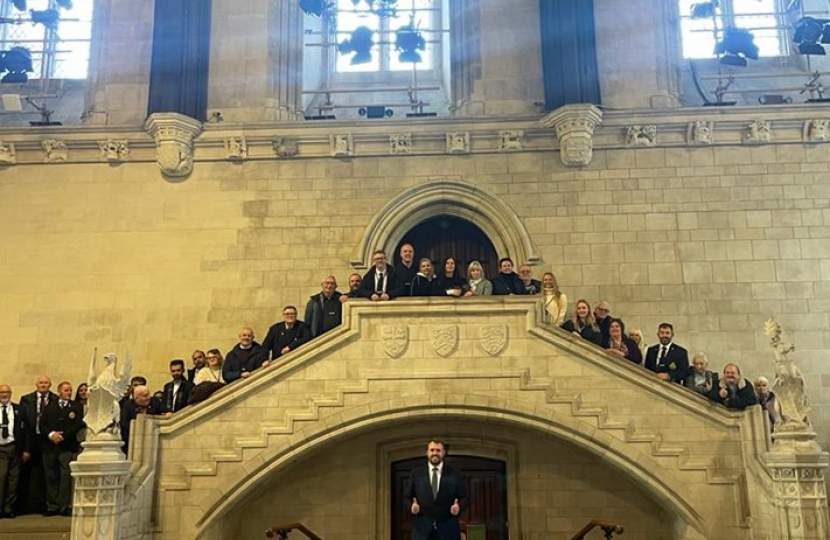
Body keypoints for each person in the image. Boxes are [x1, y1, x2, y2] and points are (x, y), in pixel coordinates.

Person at [404, 440, 468, 540]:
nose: (434, 453)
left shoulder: (455, 473)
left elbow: (464, 498)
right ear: (427, 452)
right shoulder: (416, 473)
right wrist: (411, 507)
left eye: (438, 450)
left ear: (444, 453)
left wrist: (459, 507)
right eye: (432, 450)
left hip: (448, 531)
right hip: (422, 532)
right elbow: (406, 498)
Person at [41, 381, 84, 516]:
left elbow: (78, 424)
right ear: (59, 391)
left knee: (66, 476)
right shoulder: (49, 406)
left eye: (70, 390)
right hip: (50, 446)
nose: (69, 392)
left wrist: (63, 436)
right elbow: (42, 424)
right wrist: (51, 434)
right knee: (51, 475)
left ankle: (64, 506)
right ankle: (52, 505)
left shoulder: (76, 407)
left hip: (66, 446)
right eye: (66, 390)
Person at [18, 375, 56, 515]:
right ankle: (26, 505)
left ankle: (47, 505)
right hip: (30, 440)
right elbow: (22, 422)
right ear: (36, 384)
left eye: (46, 382)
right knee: (27, 473)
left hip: (48, 441)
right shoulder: (26, 399)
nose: (43, 385)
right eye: (41, 382)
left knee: (47, 474)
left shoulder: (55, 399)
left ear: (50, 385)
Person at [0, 384, 26, 519]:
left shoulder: (18, 409)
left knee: (13, 480)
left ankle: (9, 508)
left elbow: (25, 430)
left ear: (10, 393)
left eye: (7, 392)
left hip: (14, 447)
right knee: (1, 478)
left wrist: (25, 449)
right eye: (2, 392)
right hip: (0, 448)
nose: (4, 394)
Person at [120, 385, 162, 454]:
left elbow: (166, 411)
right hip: (131, 441)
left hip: (151, 440)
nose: (148, 398)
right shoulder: (128, 405)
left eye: (149, 395)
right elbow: (124, 424)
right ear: (136, 398)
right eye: (145, 396)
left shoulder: (155, 401)